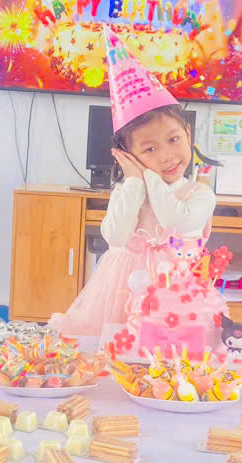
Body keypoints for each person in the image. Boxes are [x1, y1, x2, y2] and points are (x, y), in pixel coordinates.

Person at [52, 30, 226, 342]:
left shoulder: (199, 193)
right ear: (128, 155)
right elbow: (116, 237)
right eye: (149, 149)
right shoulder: (127, 190)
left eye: (173, 139)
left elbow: (176, 221)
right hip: (121, 288)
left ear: (188, 133)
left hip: (176, 292)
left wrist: (149, 177)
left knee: (171, 354)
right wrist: (133, 182)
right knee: (116, 349)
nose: (166, 156)